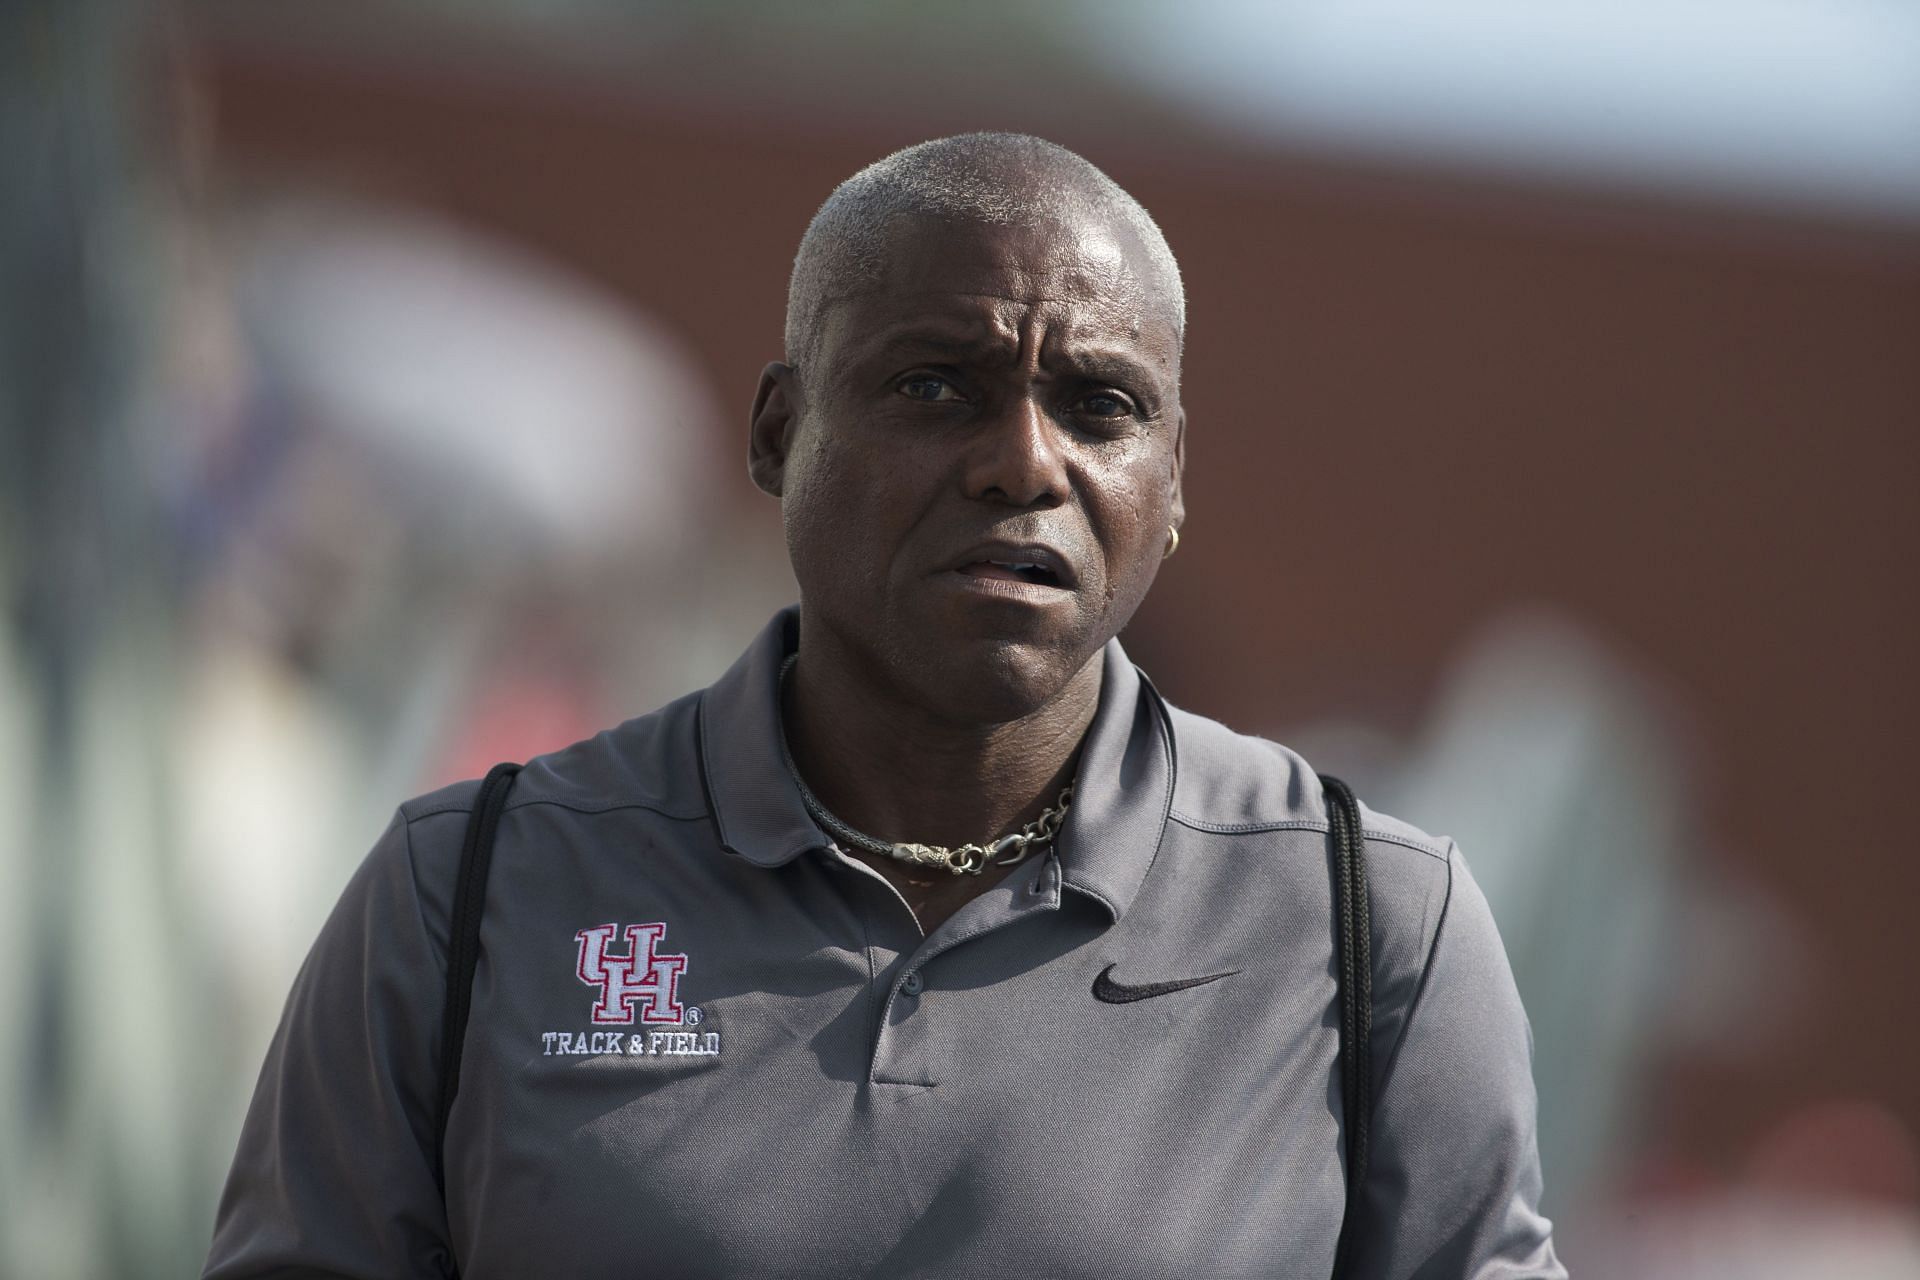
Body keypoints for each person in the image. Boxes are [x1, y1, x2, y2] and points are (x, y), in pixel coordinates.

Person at [205, 133, 1564, 1279]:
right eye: (936, 386)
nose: (1024, 462)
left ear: (1173, 481)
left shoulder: (1371, 929)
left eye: (1100, 405)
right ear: (779, 433)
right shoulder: (469, 893)